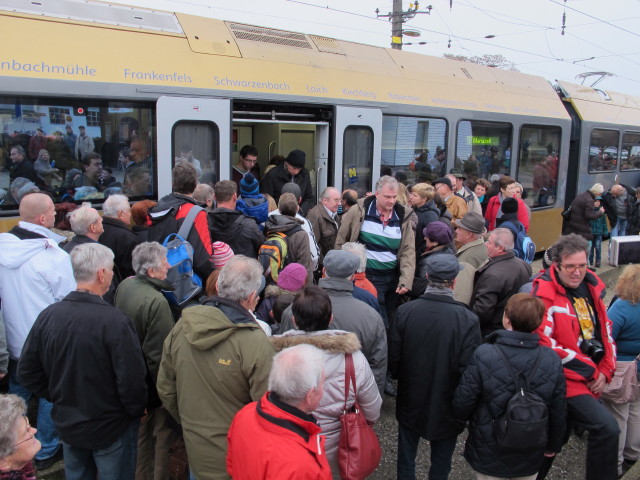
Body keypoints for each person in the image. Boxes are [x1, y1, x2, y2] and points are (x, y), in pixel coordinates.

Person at [18, 243, 147, 480]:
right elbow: (132, 381)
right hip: (111, 427)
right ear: (101, 274)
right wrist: (135, 411)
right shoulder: (115, 322)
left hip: (69, 423)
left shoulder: (49, 315)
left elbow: (27, 371)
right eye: (110, 270)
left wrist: (59, 395)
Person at [157, 256, 275, 480]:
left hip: (196, 448)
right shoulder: (253, 341)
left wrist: (189, 421)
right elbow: (268, 408)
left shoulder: (182, 326)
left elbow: (165, 386)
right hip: (239, 459)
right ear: (251, 298)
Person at [531, 234, 618, 480]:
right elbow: (545, 343)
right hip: (565, 379)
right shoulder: (544, 293)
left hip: (588, 374)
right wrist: (591, 371)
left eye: (582, 265)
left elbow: (606, 331)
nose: (577, 272)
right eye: (571, 266)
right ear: (556, 265)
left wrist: (607, 369)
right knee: (605, 428)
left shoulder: (592, 287)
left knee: (556, 440)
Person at [453, 294, 567, 480]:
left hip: (489, 445)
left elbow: (464, 399)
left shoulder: (485, 353)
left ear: (506, 318)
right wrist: (553, 444)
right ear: (538, 323)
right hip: (531, 446)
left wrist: (460, 422)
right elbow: (558, 408)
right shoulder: (551, 359)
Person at [0, 193, 76, 471]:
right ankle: (44, 450)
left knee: (19, 392)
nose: (57, 216)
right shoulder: (53, 256)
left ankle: (12, 445)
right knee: (49, 396)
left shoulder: (2, 247)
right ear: (43, 219)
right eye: (53, 213)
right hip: (46, 345)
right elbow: (69, 302)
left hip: (13, 342)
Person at [272, 287, 382, 478]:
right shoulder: (353, 359)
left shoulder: (275, 356)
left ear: (294, 320)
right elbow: (373, 409)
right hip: (338, 452)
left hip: (289, 447)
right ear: (330, 318)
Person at [390, 254, 482, 480]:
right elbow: (469, 368)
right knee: (442, 462)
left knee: (406, 456)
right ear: (453, 282)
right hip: (448, 401)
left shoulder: (406, 311)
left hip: (410, 395)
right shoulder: (467, 319)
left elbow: (394, 358)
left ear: (427, 277)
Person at [280, 250, 388, 393]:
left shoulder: (294, 309)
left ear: (324, 271)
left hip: (303, 395)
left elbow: (283, 355)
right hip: (348, 398)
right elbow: (377, 365)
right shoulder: (371, 317)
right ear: (353, 276)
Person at [114, 242, 179, 480]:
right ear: (151, 272)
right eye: (164, 264)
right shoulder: (157, 301)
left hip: (129, 377)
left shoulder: (125, 285)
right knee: (160, 438)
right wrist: (166, 393)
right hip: (150, 387)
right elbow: (158, 355)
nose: (169, 266)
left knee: (139, 439)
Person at [226, 344, 332, 480]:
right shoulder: (301, 466)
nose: (324, 388)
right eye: (323, 382)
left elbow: (232, 466)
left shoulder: (245, 413)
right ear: (310, 395)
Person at [335, 175, 415, 328]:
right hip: (368, 274)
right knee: (379, 319)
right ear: (376, 194)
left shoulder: (402, 216)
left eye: (394, 197)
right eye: (387, 197)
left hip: (393, 277)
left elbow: (408, 250)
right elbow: (341, 240)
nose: (391, 201)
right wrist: (340, 271)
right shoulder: (358, 211)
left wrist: (406, 280)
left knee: (391, 319)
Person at [602, 265, 640, 477]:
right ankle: (633, 453)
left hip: (623, 368)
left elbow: (608, 337)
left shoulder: (622, 307)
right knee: (636, 410)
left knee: (618, 414)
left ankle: (614, 464)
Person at [148, 162, 214, 281]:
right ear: (195, 185)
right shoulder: (196, 213)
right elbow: (203, 258)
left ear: (173, 184)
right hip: (185, 284)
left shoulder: (157, 209)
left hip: (158, 277)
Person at [471, 228, 532, 337]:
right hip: (513, 328)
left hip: (492, 333)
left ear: (500, 248)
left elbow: (482, 311)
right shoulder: (523, 265)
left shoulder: (492, 275)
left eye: (489, 242)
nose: (485, 245)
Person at [269, 182, 320, 271]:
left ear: (280, 198)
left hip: (271, 273)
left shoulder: (268, 218)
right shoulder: (304, 223)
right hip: (294, 276)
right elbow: (314, 256)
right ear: (299, 201)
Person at [209, 180, 264, 258]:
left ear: (214, 197)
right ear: (235, 196)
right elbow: (262, 247)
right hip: (245, 268)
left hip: (215, 269)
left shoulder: (205, 222)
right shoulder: (249, 224)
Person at [263, 192, 314, 278]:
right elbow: (305, 268)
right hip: (292, 284)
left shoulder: (268, 228)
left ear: (279, 209)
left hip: (271, 282)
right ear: (297, 208)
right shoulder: (301, 235)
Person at [99, 194, 142, 279]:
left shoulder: (96, 231)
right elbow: (132, 274)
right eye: (129, 211)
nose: (130, 214)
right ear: (121, 214)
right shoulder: (129, 238)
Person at [260, 149, 315, 215]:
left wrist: (300, 210)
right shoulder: (272, 175)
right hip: (278, 214)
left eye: (299, 169)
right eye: (294, 168)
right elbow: (267, 198)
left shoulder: (304, 174)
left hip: (299, 213)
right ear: (287, 163)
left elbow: (309, 198)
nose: (296, 171)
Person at [0, 394, 41, 479]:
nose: (34, 430)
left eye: (28, 425)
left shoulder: (22, 469)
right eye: (26, 431)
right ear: (3, 462)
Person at [412, 221, 456, 297]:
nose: (425, 238)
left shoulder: (429, 261)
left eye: (427, 237)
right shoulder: (449, 253)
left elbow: (420, 286)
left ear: (435, 242)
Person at [453, 212, 489, 305]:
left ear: (469, 234)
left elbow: (461, 297)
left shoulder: (467, 259)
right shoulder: (484, 248)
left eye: (460, 228)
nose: (456, 231)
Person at [306, 187, 342, 259]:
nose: (339, 203)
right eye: (336, 200)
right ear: (325, 200)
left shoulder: (334, 214)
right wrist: (323, 264)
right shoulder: (315, 216)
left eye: (340, 200)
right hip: (323, 266)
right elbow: (312, 245)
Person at [408, 183, 440, 257]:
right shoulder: (414, 209)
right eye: (411, 194)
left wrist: (417, 255)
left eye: (415, 195)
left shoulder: (431, 216)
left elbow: (431, 240)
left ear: (424, 199)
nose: (411, 197)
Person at [589, 196, 608, 269]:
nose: (597, 203)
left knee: (598, 246)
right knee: (591, 247)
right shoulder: (591, 212)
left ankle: (598, 261)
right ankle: (590, 260)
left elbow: (604, 223)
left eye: (599, 201)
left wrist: (605, 231)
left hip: (599, 233)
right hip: (591, 232)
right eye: (596, 201)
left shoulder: (602, 213)